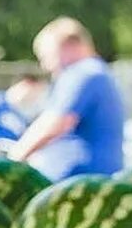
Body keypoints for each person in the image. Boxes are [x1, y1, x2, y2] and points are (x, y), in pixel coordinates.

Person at [8, 17, 125, 180]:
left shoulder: (83, 73)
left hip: (83, 181)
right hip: (97, 178)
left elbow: (55, 123)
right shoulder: (99, 72)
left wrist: (11, 161)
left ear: (70, 46)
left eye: (46, 56)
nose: (45, 66)